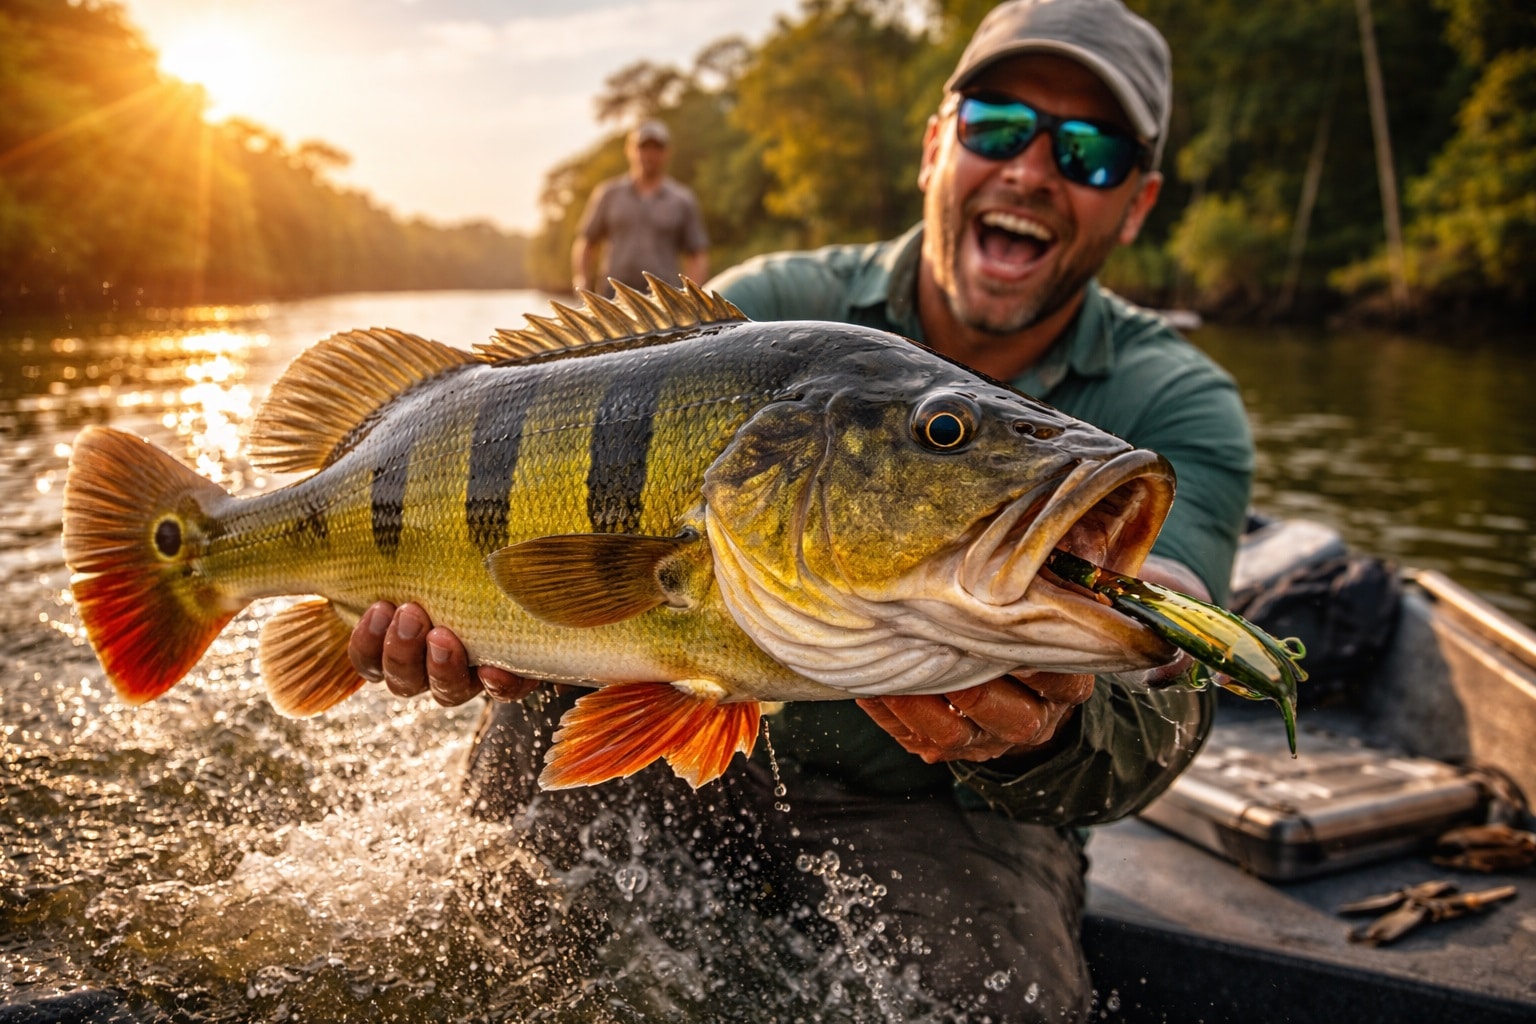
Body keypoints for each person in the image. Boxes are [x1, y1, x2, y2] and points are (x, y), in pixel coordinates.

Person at [349, 1, 1254, 1019]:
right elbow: (557, 549)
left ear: (1137, 204)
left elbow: (1172, 657)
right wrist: (506, 639)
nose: (1033, 170)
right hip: (710, 742)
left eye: (1089, 151)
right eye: (999, 126)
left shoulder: (1177, 405)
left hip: (950, 811)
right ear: (936, 146)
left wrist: (1065, 710)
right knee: (494, 887)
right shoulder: (768, 313)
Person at [570, 118, 710, 296]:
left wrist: (690, 295)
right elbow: (586, 242)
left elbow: (697, 254)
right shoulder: (608, 194)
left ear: (667, 152)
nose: (649, 154)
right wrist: (581, 279)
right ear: (629, 150)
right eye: (643, 147)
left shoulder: (682, 200)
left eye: (656, 148)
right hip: (613, 300)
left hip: (664, 302)